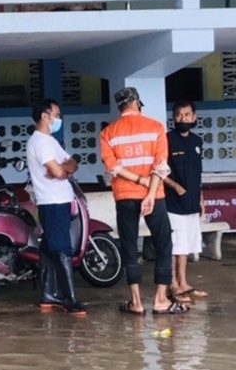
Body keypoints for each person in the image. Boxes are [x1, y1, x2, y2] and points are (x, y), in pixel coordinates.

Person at [99, 86, 173, 314]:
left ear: (119, 106)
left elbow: (113, 167)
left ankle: (136, 302)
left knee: (129, 245)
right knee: (163, 243)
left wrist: (139, 181)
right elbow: (160, 166)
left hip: (125, 196)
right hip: (155, 195)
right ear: (138, 103)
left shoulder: (108, 133)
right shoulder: (156, 127)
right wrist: (149, 194)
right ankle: (161, 300)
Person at [25, 99, 86, 316]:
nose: (59, 119)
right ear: (45, 116)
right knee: (62, 249)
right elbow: (60, 171)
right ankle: (70, 300)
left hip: (59, 200)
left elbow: (73, 164)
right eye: (57, 115)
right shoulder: (40, 142)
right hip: (52, 202)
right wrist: (62, 170)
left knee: (50, 247)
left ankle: (48, 295)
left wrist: (62, 169)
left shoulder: (50, 141)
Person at [164, 101, 207, 302]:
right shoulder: (167, 140)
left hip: (192, 203)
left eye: (187, 114)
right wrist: (176, 186)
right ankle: (173, 285)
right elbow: (159, 171)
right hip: (173, 203)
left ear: (194, 117)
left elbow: (198, 175)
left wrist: (201, 200)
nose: (183, 118)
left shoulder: (197, 141)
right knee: (175, 246)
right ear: (174, 117)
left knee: (186, 245)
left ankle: (183, 283)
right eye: (179, 115)